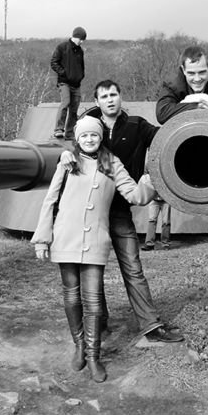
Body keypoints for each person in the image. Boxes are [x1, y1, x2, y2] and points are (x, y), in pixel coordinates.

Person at [31, 117, 156, 382]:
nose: (89, 139)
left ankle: (93, 356)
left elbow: (134, 195)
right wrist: (42, 238)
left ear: (101, 138)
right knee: (71, 297)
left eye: (94, 135)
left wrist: (151, 180)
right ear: (78, 139)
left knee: (93, 302)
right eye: (84, 136)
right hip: (66, 237)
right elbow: (50, 199)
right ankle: (79, 346)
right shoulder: (68, 161)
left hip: (95, 241)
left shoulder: (111, 162)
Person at [61, 80, 184, 343]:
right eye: (104, 96)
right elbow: (72, 151)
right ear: (96, 101)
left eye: (114, 94)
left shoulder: (137, 125)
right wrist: (64, 155)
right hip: (91, 213)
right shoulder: (88, 127)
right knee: (93, 270)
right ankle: (99, 323)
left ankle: (150, 325)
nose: (110, 99)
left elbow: (165, 139)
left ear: (120, 97)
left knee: (133, 268)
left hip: (119, 210)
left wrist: (189, 114)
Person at [50, 26, 87, 140]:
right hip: (64, 82)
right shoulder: (62, 47)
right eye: (81, 39)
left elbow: (81, 66)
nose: (82, 42)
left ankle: (70, 133)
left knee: (74, 109)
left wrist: (80, 76)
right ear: (75, 37)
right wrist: (64, 73)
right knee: (66, 103)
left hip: (76, 84)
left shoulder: (80, 51)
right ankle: (59, 129)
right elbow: (54, 62)